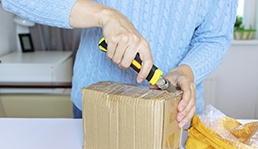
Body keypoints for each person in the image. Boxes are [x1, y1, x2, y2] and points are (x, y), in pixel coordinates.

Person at [2, 0, 238, 128]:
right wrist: (106, 14)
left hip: (173, 114)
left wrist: (185, 70)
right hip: (95, 110)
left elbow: (214, 38)